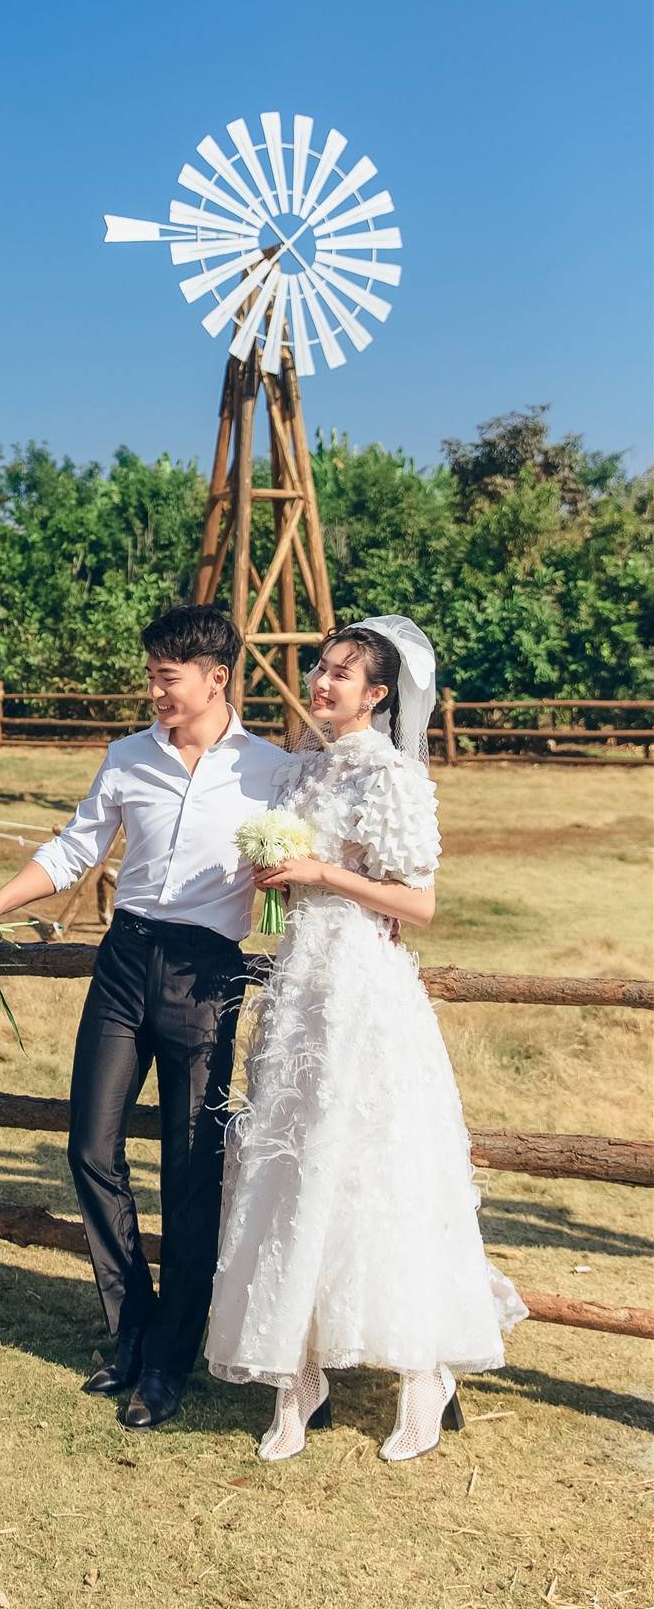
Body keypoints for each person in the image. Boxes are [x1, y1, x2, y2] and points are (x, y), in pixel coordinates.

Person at [205, 615, 527, 1463]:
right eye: (321, 666)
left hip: (364, 995)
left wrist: (317, 873)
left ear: (379, 694)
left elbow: (416, 903)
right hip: (299, 989)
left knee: (378, 1167)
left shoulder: (393, 776)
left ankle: (423, 1370)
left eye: (342, 673)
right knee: (291, 1164)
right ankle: (295, 1372)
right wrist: (272, 876)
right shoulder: (306, 770)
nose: (322, 680)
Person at [0, 605, 286, 1429]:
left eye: (166, 678)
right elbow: (76, 850)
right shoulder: (126, 757)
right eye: (149, 675)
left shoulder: (273, 772)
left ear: (216, 678)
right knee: (90, 1146)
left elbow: (309, 861)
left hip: (208, 974)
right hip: (123, 960)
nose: (152, 691)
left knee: (188, 1172)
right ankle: (132, 1327)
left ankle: (171, 1358)